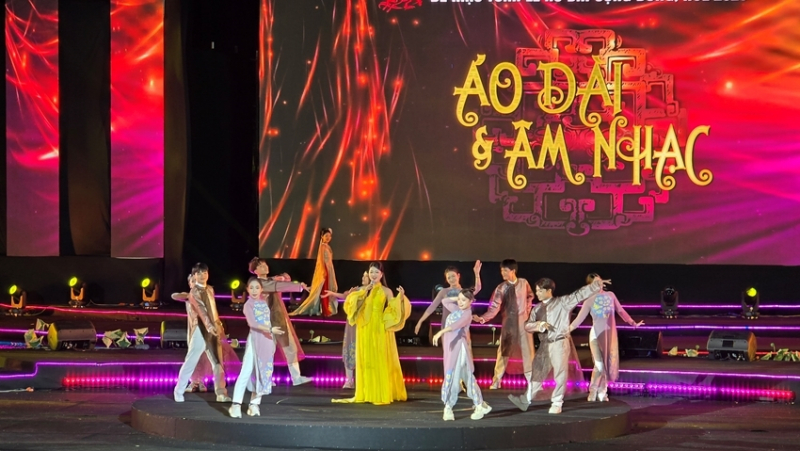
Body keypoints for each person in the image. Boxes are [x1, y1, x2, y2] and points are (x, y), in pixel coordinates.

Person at [508, 275, 606, 414]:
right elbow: (527, 326)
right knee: (538, 373)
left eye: (540, 290)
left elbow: (578, 295)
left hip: (559, 343)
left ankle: (557, 402)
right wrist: (539, 325)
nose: (537, 293)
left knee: (560, 373)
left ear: (549, 291)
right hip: (545, 344)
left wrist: (595, 285)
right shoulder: (537, 309)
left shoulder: (562, 303)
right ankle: (526, 399)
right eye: (537, 290)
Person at [332, 262, 411, 405]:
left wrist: (401, 298)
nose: (373, 275)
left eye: (376, 272)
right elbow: (351, 307)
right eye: (371, 272)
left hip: (379, 327)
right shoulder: (362, 289)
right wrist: (360, 294)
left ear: (381, 274)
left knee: (379, 358)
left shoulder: (386, 291)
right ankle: (367, 392)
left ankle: (380, 393)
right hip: (364, 328)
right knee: (366, 360)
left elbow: (393, 309)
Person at [569, 273, 644, 402]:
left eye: (600, 281)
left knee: (607, 364)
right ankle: (593, 390)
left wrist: (633, 323)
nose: (600, 284)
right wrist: (566, 330)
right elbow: (578, 320)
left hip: (609, 336)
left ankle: (602, 391)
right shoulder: (589, 300)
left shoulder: (611, 295)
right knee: (599, 365)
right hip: (596, 336)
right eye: (595, 283)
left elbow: (621, 311)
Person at [173, 263, 231, 403]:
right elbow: (201, 310)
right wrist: (210, 326)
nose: (202, 276)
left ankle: (221, 393)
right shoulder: (193, 292)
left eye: (204, 273)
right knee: (191, 360)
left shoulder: (210, 289)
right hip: (200, 329)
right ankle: (179, 390)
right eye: (199, 273)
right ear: (194, 276)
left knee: (217, 362)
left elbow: (213, 310)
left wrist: (217, 325)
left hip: (213, 328)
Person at [249, 257, 312, 386]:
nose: (265, 267)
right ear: (255, 271)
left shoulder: (271, 280)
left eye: (265, 264)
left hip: (279, 318)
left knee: (290, 347)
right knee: (267, 350)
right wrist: (299, 286)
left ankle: (296, 377)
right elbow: (275, 285)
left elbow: (280, 280)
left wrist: (283, 277)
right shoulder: (257, 283)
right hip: (266, 321)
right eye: (261, 266)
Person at [473, 259, 534, 389]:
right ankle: (497, 380)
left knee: (527, 351)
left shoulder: (523, 283)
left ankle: (532, 381)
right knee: (503, 351)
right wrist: (482, 318)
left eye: (505, 270)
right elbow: (494, 307)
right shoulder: (501, 288)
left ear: (513, 271)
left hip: (523, 321)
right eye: (501, 271)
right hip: (509, 323)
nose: (503, 273)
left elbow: (530, 297)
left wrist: (527, 313)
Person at [228, 277, 285, 418]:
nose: (254, 291)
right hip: (255, 339)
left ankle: (254, 404)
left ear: (261, 289)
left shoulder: (263, 303)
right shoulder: (248, 305)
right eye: (251, 288)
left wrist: (272, 337)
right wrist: (270, 330)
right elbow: (252, 323)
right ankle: (235, 404)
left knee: (263, 371)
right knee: (246, 371)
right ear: (247, 289)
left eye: (257, 288)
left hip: (267, 340)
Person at [432, 289, 492, 421]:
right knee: (463, 377)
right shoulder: (457, 310)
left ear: (471, 302)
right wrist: (459, 298)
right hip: (451, 349)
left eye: (464, 300)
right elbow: (445, 301)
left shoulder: (467, 314)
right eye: (459, 299)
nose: (460, 302)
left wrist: (440, 332)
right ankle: (480, 404)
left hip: (459, 349)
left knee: (455, 377)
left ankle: (450, 407)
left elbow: (455, 326)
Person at [323, 271, 370, 389]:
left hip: (365, 324)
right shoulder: (357, 290)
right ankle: (349, 380)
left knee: (365, 351)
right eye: (363, 275)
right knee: (350, 349)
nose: (363, 278)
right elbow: (346, 296)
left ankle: (365, 381)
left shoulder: (374, 291)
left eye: (366, 276)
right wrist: (333, 293)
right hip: (352, 324)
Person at [414, 261, 482, 336]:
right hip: (446, 327)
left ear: (458, 276)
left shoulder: (465, 292)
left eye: (453, 276)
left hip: (461, 327)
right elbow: (432, 307)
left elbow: (477, 288)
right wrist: (420, 321)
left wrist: (477, 273)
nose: (451, 279)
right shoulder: (443, 292)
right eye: (449, 277)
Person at [290, 228, 338, 317]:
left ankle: (326, 308)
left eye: (329, 236)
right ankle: (325, 309)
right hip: (325, 270)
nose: (328, 237)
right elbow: (321, 260)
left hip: (329, 269)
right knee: (324, 290)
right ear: (322, 236)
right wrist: (324, 271)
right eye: (326, 236)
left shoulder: (327, 246)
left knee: (327, 289)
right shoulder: (322, 246)